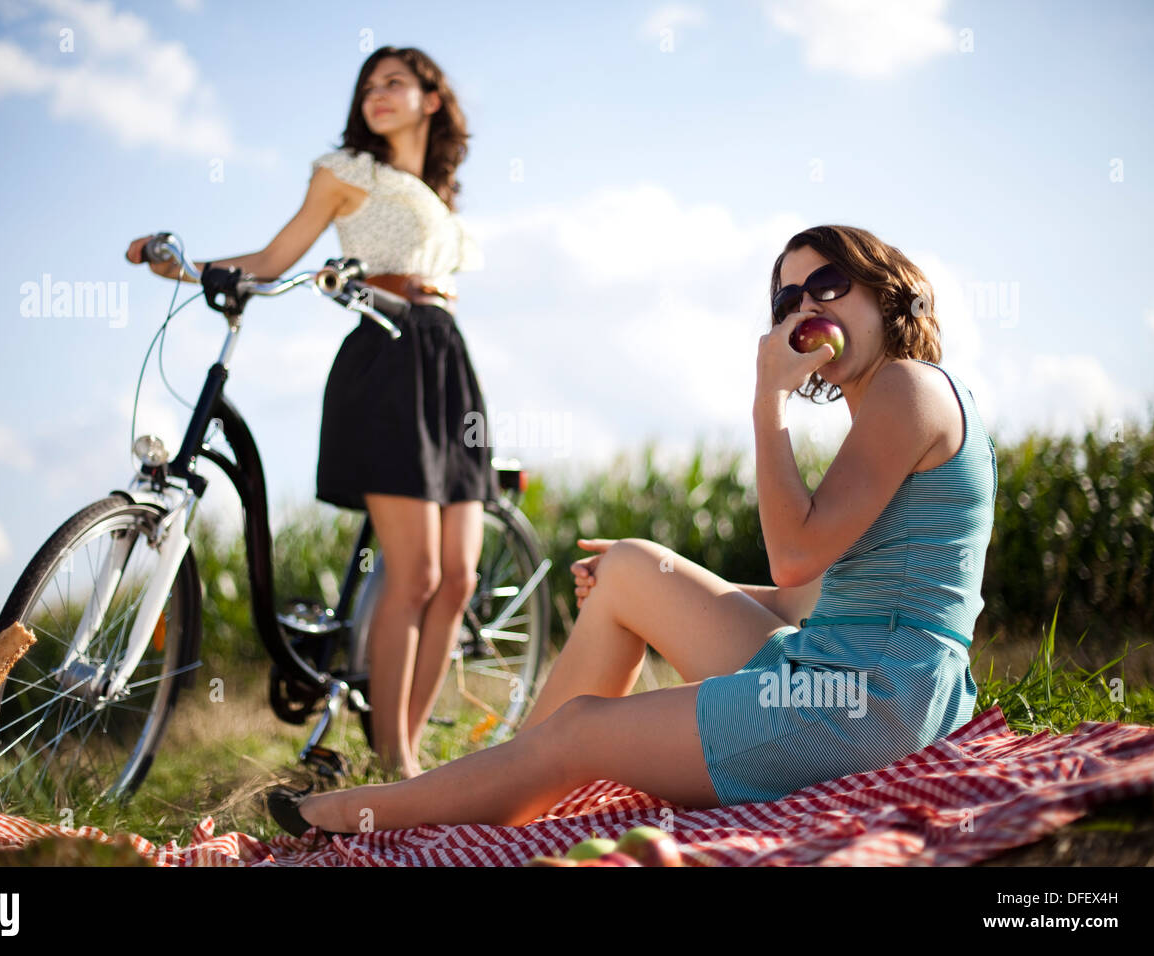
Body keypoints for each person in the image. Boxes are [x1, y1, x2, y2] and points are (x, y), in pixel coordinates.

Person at [269, 224, 999, 838]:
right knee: (630, 568)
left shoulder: (906, 386)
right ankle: (498, 783)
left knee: (580, 730)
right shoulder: (894, 403)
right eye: (786, 298)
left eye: (828, 283)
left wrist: (766, 400)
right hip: (857, 676)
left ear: (884, 286)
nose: (804, 305)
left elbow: (793, 557)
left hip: (863, 702)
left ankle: (359, 813)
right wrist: (656, 583)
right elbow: (811, 600)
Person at [126, 46, 498, 783]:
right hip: (386, 358)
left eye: (395, 82)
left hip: (445, 357)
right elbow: (275, 255)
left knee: (458, 575)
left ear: (432, 99)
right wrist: (193, 268)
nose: (377, 94)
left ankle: (406, 747)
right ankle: (399, 759)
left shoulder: (436, 194)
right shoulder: (344, 172)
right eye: (367, 85)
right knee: (416, 573)